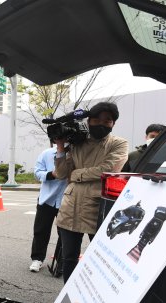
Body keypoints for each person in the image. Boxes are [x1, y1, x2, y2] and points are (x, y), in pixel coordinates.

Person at [54, 102, 128, 283]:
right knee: (69, 257)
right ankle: (68, 294)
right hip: (70, 207)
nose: (101, 124)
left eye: (107, 121)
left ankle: (96, 300)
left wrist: (77, 173)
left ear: (113, 124)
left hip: (98, 207)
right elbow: (62, 173)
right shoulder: (78, 142)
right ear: (89, 121)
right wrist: (61, 147)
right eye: (96, 120)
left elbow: (109, 169)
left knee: (102, 257)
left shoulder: (119, 143)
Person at [29, 146, 67, 273]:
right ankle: (37, 259)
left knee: (65, 234)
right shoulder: (47, 153)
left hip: (67, 200)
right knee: (41, 230)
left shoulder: (76, 152)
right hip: (47, 199)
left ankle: (61, 262)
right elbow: (37, 172)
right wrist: (51, 174)